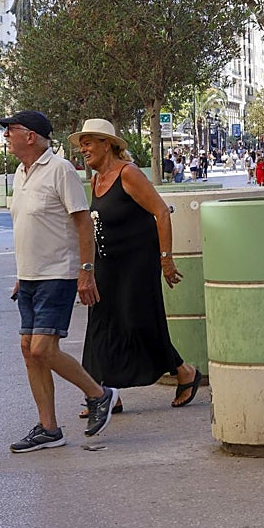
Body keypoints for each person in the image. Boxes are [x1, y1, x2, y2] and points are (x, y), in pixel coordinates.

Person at [0, 110, 118, 452]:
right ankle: (49, 429)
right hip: (30, 277)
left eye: (11, 130)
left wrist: (86, 269)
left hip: (58, 274)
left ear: (31, 136)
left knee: (43, 348)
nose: (6, 135)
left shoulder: (60, 170)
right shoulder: (21, 173)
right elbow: (30, 229)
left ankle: (99, 393)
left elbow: (83, 224)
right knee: (28, 350)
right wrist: (22, 275)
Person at [70, 119, 202, 414]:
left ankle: (184, 371)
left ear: (107, 144)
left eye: (88, 143)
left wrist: (166, 258)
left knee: (137, 322)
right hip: (107, 264)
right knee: (100, 325)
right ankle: (105, 393)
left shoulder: (127, 174)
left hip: (136, 264)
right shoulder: (95, 180)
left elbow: (161, 213)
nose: (83, 150)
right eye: (82, 145)